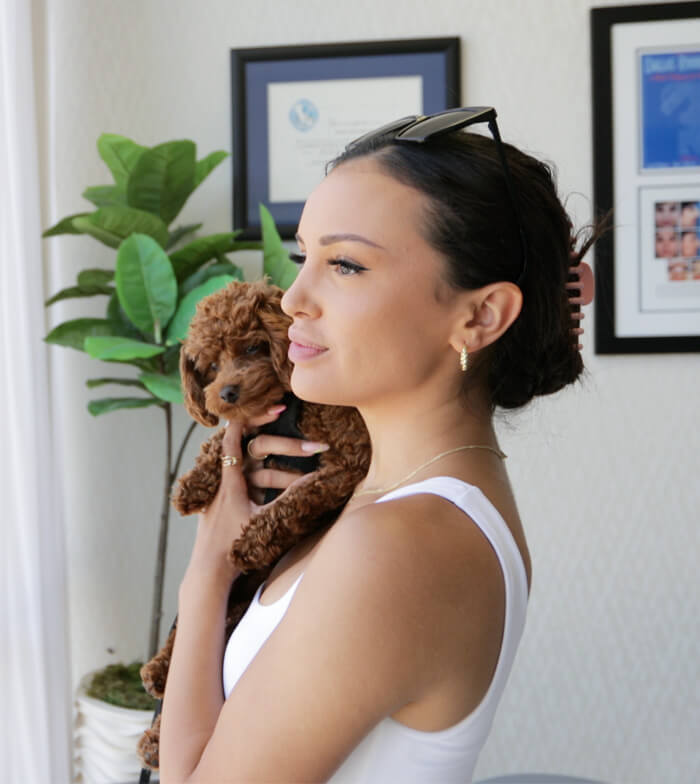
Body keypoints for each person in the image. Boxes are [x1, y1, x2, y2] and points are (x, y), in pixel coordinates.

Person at [158, 107, 598, 783]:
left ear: (480, 316)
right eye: (305, 256)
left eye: (345, 264)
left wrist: (208, 573)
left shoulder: (400, 543)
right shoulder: (385, 499)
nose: (294, 299)